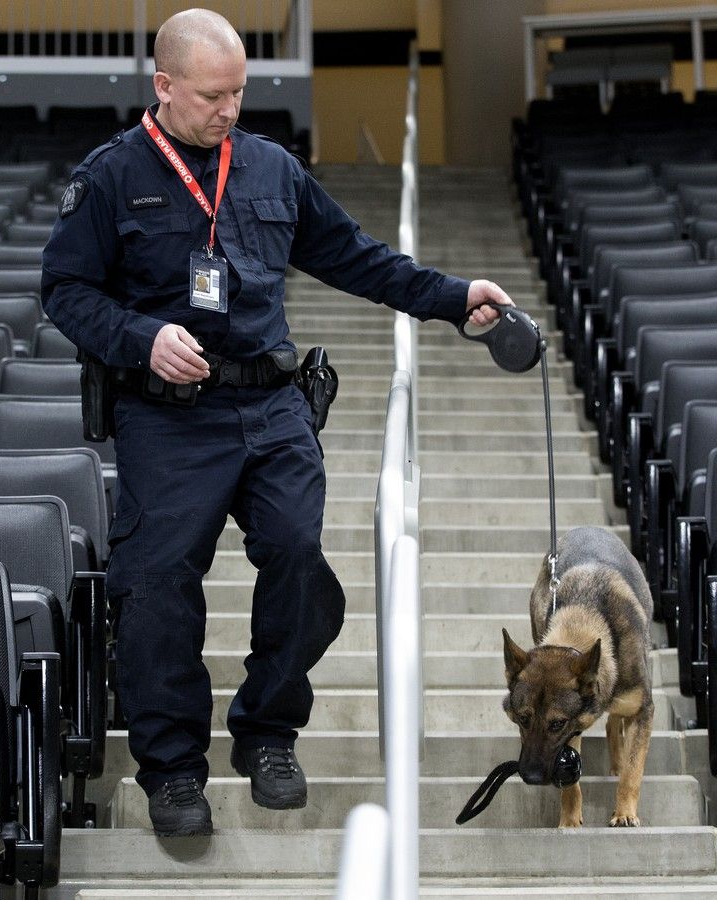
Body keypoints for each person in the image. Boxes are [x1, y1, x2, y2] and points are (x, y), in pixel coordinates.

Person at [41, 8, 513, 837]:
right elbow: (66, 292)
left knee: (299, 559)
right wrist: (143, 338)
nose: (230, 110)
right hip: (168, 417)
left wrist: (451, 298)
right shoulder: (111, 176)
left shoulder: (268, 168)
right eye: (213, 96)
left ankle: (267, 733)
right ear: (164, 87)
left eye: (240, 93)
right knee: (155, 591)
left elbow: (356, 256)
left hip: (271, 403)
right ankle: (173, 770)